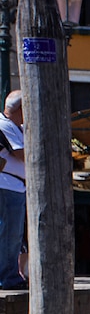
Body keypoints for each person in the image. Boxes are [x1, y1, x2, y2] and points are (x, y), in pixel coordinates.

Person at [0, 90, 26, 290]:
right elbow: (20, 153)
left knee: (13, 234)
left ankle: (9, 274)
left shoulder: (17, 127)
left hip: (15, 186)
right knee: (9, 233)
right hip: (7, 185)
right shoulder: (4, 125)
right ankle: (6, 277)